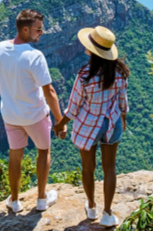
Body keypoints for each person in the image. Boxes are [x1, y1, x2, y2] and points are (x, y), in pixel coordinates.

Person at [0, 9, 66, 213]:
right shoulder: (34, 56)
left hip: (11, 115)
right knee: (44, 151)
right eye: (39, 29)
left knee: (15, 155)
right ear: (26, 30)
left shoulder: (0, 48)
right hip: (35, 115)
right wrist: (60, 120)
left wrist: (6, 94)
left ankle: (14, 200)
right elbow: (50, 91)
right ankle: (41, 199)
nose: (42, 32)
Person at [54, 25, 129, 227]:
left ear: (92, 50)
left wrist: (60, 125)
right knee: (110, 168)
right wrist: (122, 121)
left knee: (88, 169)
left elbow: (73, 108)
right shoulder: (120, 72)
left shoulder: (85, 75)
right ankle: (107, 213)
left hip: (88, 127)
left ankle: (92, 207)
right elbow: (123, 104)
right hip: (112, 125)